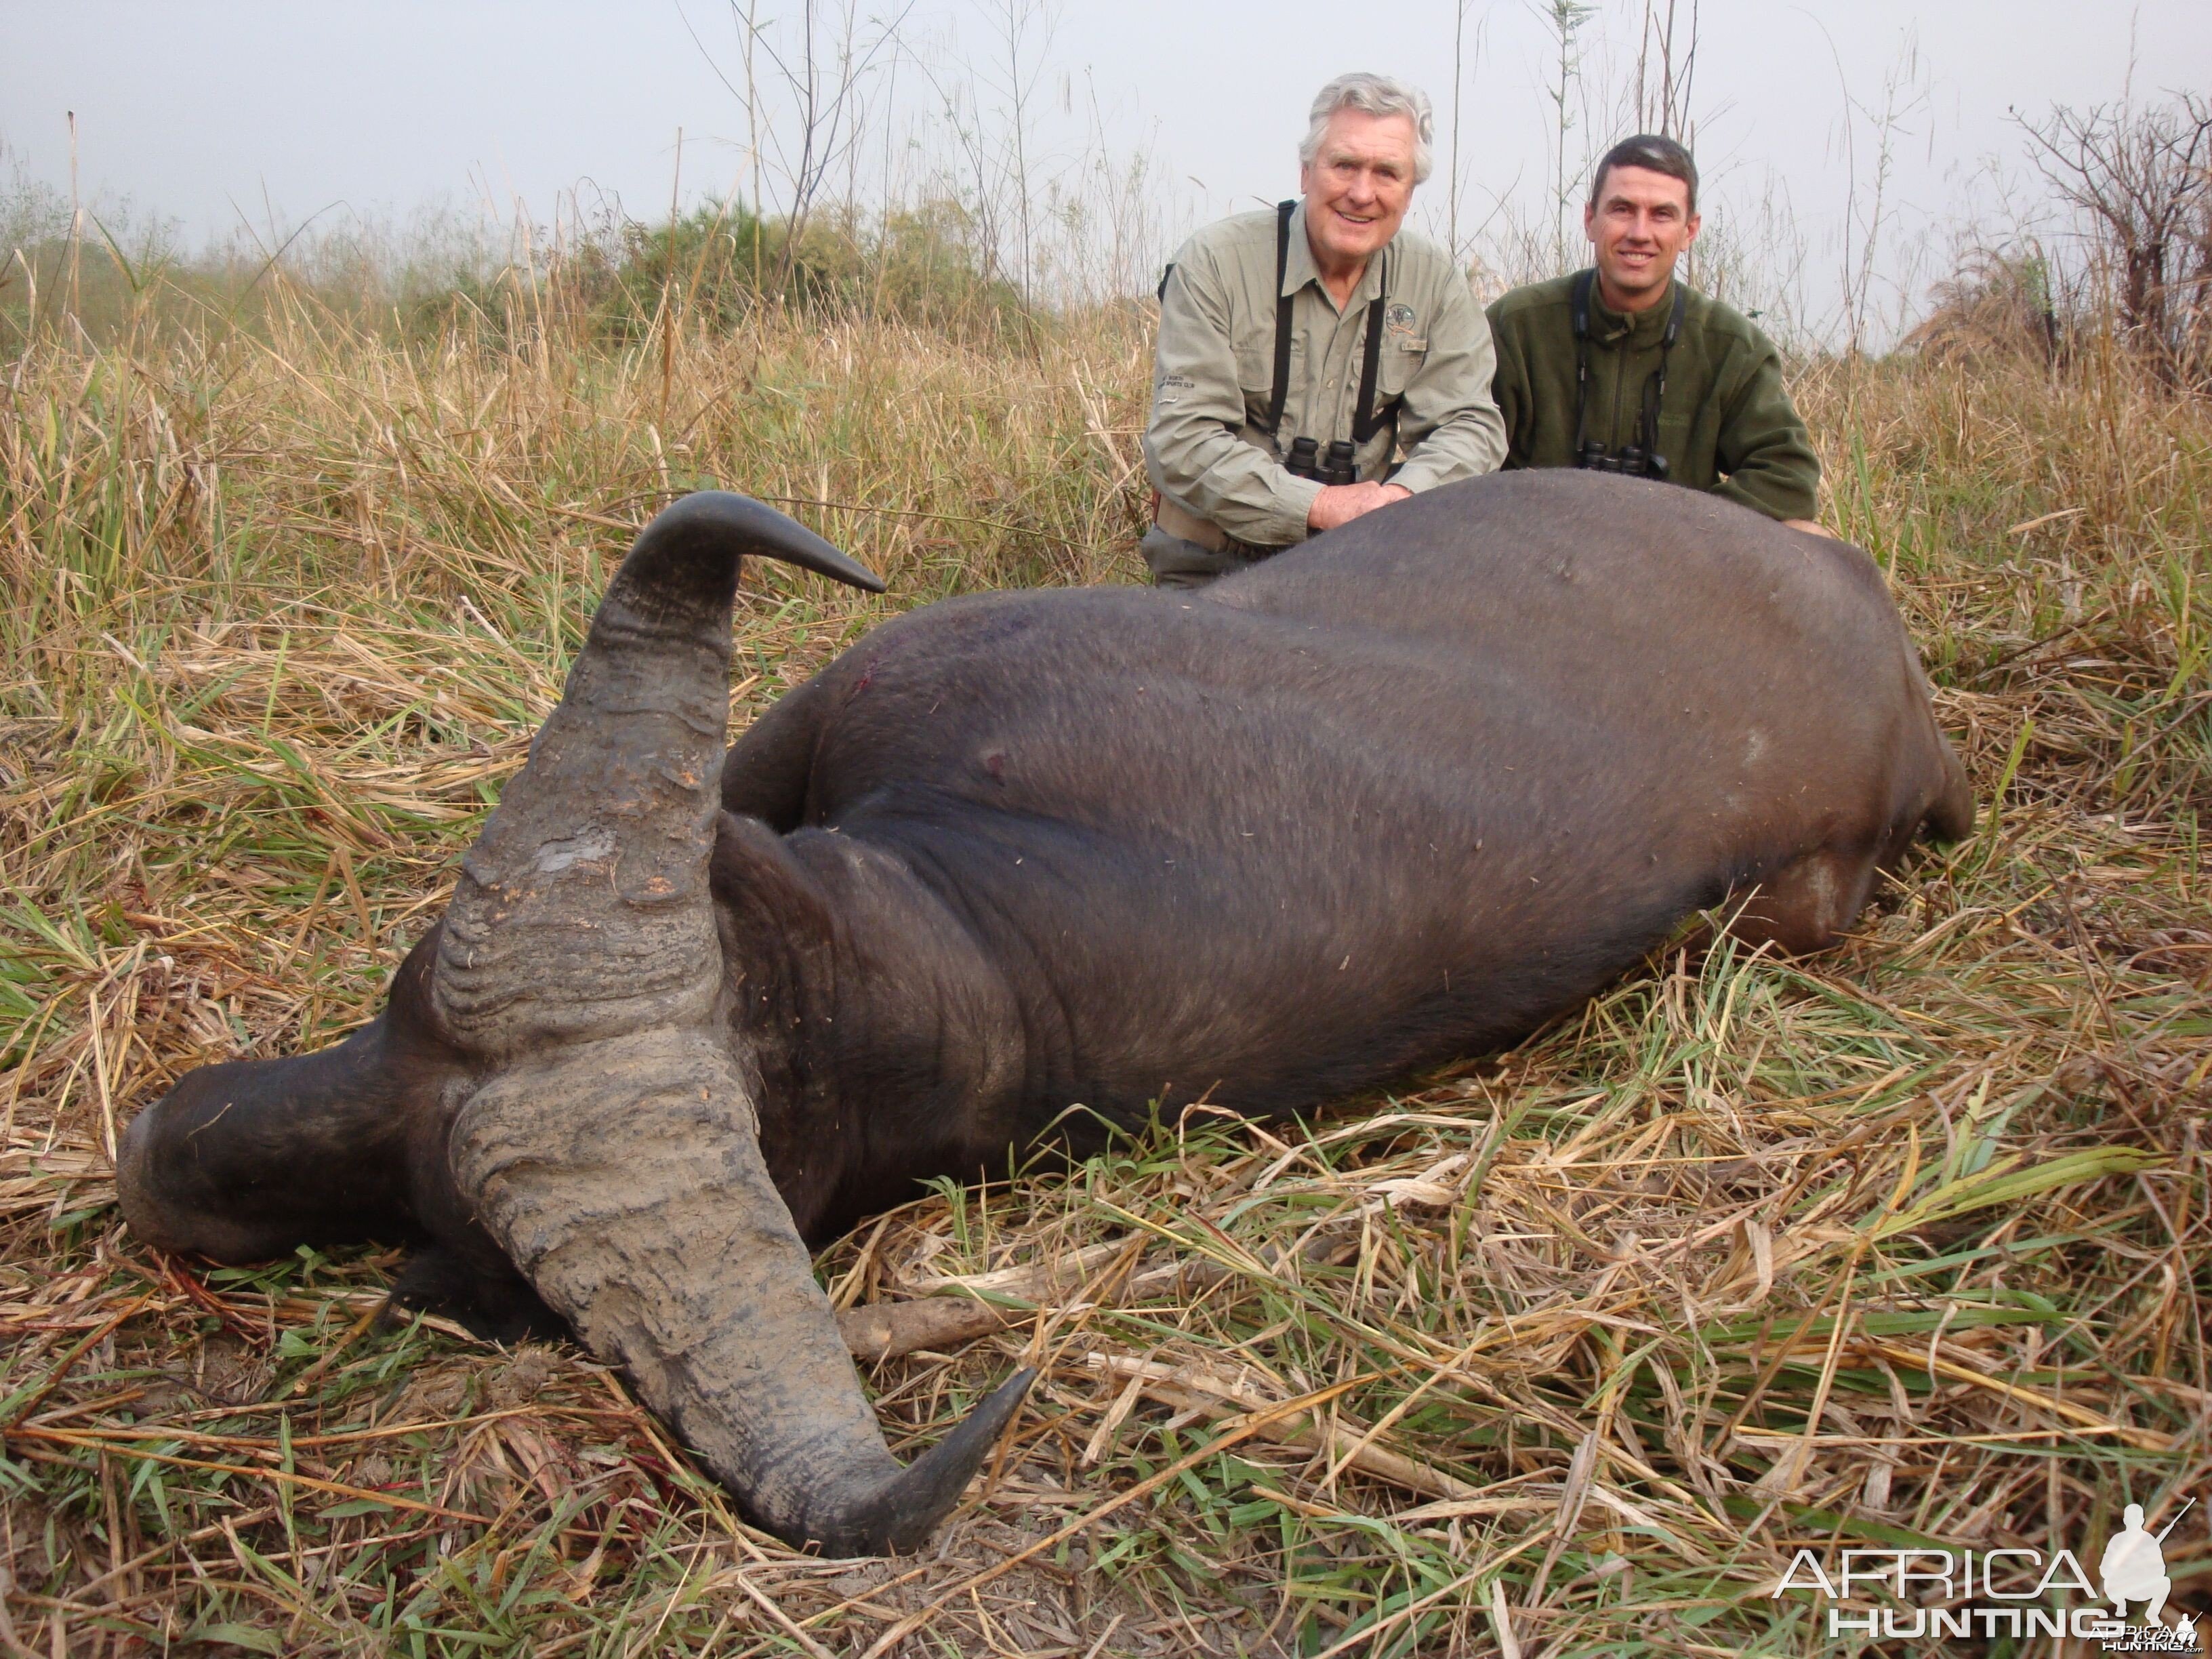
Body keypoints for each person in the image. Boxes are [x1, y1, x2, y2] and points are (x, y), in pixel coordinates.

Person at [1141, 73, 1507, 587]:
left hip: (1359, 566)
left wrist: (1400, 500)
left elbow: (1472, 425)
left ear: (1409, 191)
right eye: (1345, 166)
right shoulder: (1214, 263)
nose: (1362, 193)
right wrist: (1321, 505)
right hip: (1211, 566)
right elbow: (1183, 440)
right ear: (1306, 171)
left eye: (1387, 173)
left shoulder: (1435, 280)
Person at [1486, 134, 1827, 534]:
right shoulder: (1518, 324)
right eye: (1622, 209)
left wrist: (1668, 527)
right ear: (1590, 220)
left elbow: (1789, 479)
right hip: (1534, 545)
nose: (1639, 233)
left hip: (1672, 558)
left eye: (1662, 214)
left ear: (1689, 231)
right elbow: (1464, 446)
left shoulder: (1731, 346)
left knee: (1809, 538)